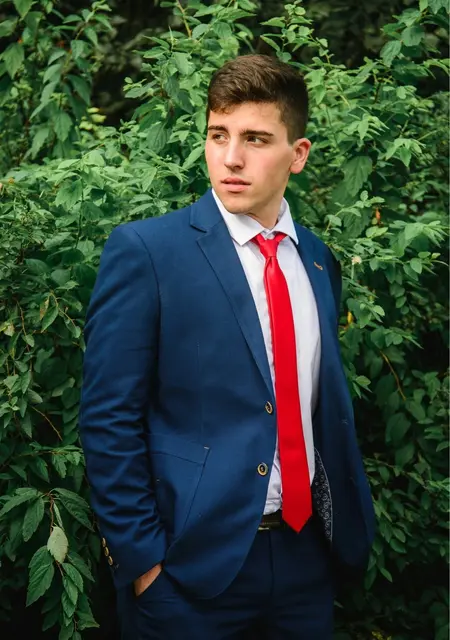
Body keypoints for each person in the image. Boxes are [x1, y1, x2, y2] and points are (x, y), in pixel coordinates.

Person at [79, 54, 375, 639]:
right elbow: (108, 417)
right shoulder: (148, 253)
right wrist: (143, 564)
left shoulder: (317, 261)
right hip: (188, 573)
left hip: (306, 561)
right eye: (219, 135)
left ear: (298, 154)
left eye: (255, 139)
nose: (231, 157)